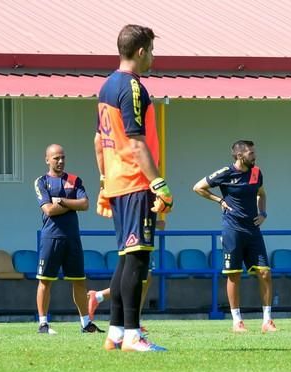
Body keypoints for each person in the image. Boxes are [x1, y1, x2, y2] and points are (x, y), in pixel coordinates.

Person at [94, 24, 173, 352]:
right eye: (152, 50)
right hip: (136, 182)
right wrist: (160, 184)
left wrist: (103, 182)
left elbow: (99, 141)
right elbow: (138, 143)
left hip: (117, 181)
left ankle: (114, 333)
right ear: (141, 51)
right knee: (138, 259)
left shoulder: (106, 87)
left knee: (126, 258)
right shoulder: (133, 88)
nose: (153, 56)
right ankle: (132, 335)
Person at [193, 140, 277, 333]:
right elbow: (198, 187)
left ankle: (267, 321)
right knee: (234, 275)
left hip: (253, 232)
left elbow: (261, 194)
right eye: (251, 153)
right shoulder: (225, 173)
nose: (254, 156)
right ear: (240, 156)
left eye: (254, 152)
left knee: (265, 273)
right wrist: (219, 200)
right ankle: (237, 321)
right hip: (232, 231)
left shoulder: (257, 173)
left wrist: (262, 213)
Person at [34, 144, 104, 334]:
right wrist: (73, 204)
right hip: (51, 238)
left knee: (79, 281)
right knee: (45, 281)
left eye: (63, 157)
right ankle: (43, 324)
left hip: (72, 238)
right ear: (47, 159)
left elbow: (85, 204)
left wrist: (63, 201)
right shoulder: (41, 182)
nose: (61, 161)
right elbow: (48, 209)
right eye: (56, 158)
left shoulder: (75, 180)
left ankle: (86, 323)